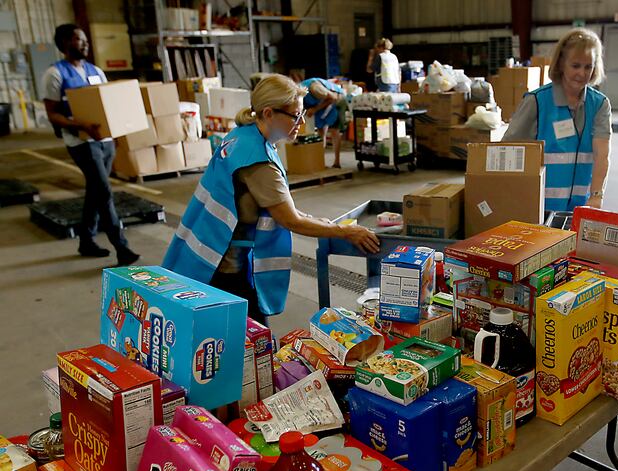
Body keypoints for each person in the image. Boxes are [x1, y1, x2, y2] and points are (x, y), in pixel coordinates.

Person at [162, 74, 380, 323]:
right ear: (268, 113)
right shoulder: (258, 162)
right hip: (227, 265)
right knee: (253, 343)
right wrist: (346, 232)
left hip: (207, 248)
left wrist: (318, 221)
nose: (302, 122)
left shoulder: (241, 135)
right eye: (295, 115)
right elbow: (291, 221)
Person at [43, 24, 139, 265]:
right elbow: (52, 114)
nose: (85, 44)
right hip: (80, 143)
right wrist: (82, 126)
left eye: (85, 40)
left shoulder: (95, 71)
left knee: (95, 190)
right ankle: (122, 247)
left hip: (104, 141)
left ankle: (86, 240)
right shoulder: (55, 74)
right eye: (78, 39)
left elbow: (108, 104)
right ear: (65, 43)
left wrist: (116, 134)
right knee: (104, 191)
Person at [503, 28, 611, 212]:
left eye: (588, 66)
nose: (582, 73)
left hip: (580, 208)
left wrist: (596, 196)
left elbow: (602, 155)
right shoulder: (537, 101)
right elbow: (507, 152)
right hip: (539, 208)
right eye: (575, 66)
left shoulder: (600, 105)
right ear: (561, 64)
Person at [300, 78, 348, 168]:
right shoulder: (299, 96)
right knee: (320, 131)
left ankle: (337, 162)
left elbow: (333, 98)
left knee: (334, 130)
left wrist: (315, 109)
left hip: (337, 100)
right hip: (322, 102)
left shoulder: (314, 88)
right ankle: (320, 161)